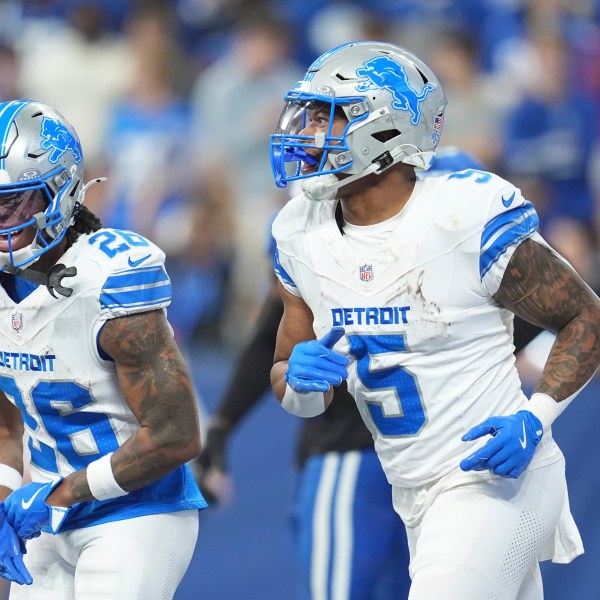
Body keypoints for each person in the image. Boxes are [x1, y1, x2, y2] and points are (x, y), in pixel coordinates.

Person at [269, 41, 600, 600]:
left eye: (329, 115)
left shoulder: (462, 216)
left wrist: (536, 417)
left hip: (495, 475)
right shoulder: (298, 230)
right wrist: (297, 384)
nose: (306, 130)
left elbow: (585, 316)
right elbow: (290, 379)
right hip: (413, 489)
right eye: (307, 114)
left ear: (384, 128)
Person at [192, 145, 486, 600]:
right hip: (355, 444)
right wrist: (223, 423)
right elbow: (280, 321)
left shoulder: (447, 203)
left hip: (445, 459)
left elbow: (531, 309)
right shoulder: (313, 222)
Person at [0, 99, 207, 599]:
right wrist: (6, 499)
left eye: (9, 204)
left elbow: (176, 436)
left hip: (136, 511)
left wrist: (55, 495)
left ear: (59, 192)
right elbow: (8, 421)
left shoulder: (108, 279)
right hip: (48, 514)